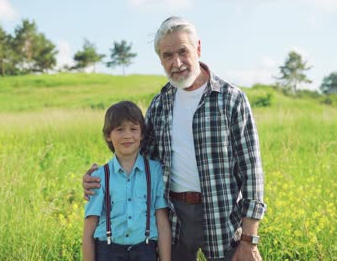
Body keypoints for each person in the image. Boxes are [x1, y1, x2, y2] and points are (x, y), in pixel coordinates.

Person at [83, 17, 266, 261]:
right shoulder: (160, 105)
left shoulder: (231, 99)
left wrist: (249, 240)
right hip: (174, 219)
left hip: (223, 218)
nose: (176, 63)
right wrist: (101, 177)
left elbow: (252, 172)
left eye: (183, 51)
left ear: (198, 48)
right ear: (160, 60)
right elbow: (138, 159)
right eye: (167, 56)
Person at [82, 101, 171, 261]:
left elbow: (162, 223)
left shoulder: (155, 171)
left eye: (133, 129)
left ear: (142, 134)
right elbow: (88, 230)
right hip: (108, 251)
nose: (127, 135)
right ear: (108, 135)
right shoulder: (100, 176)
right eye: (120, 129)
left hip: (145, 250)